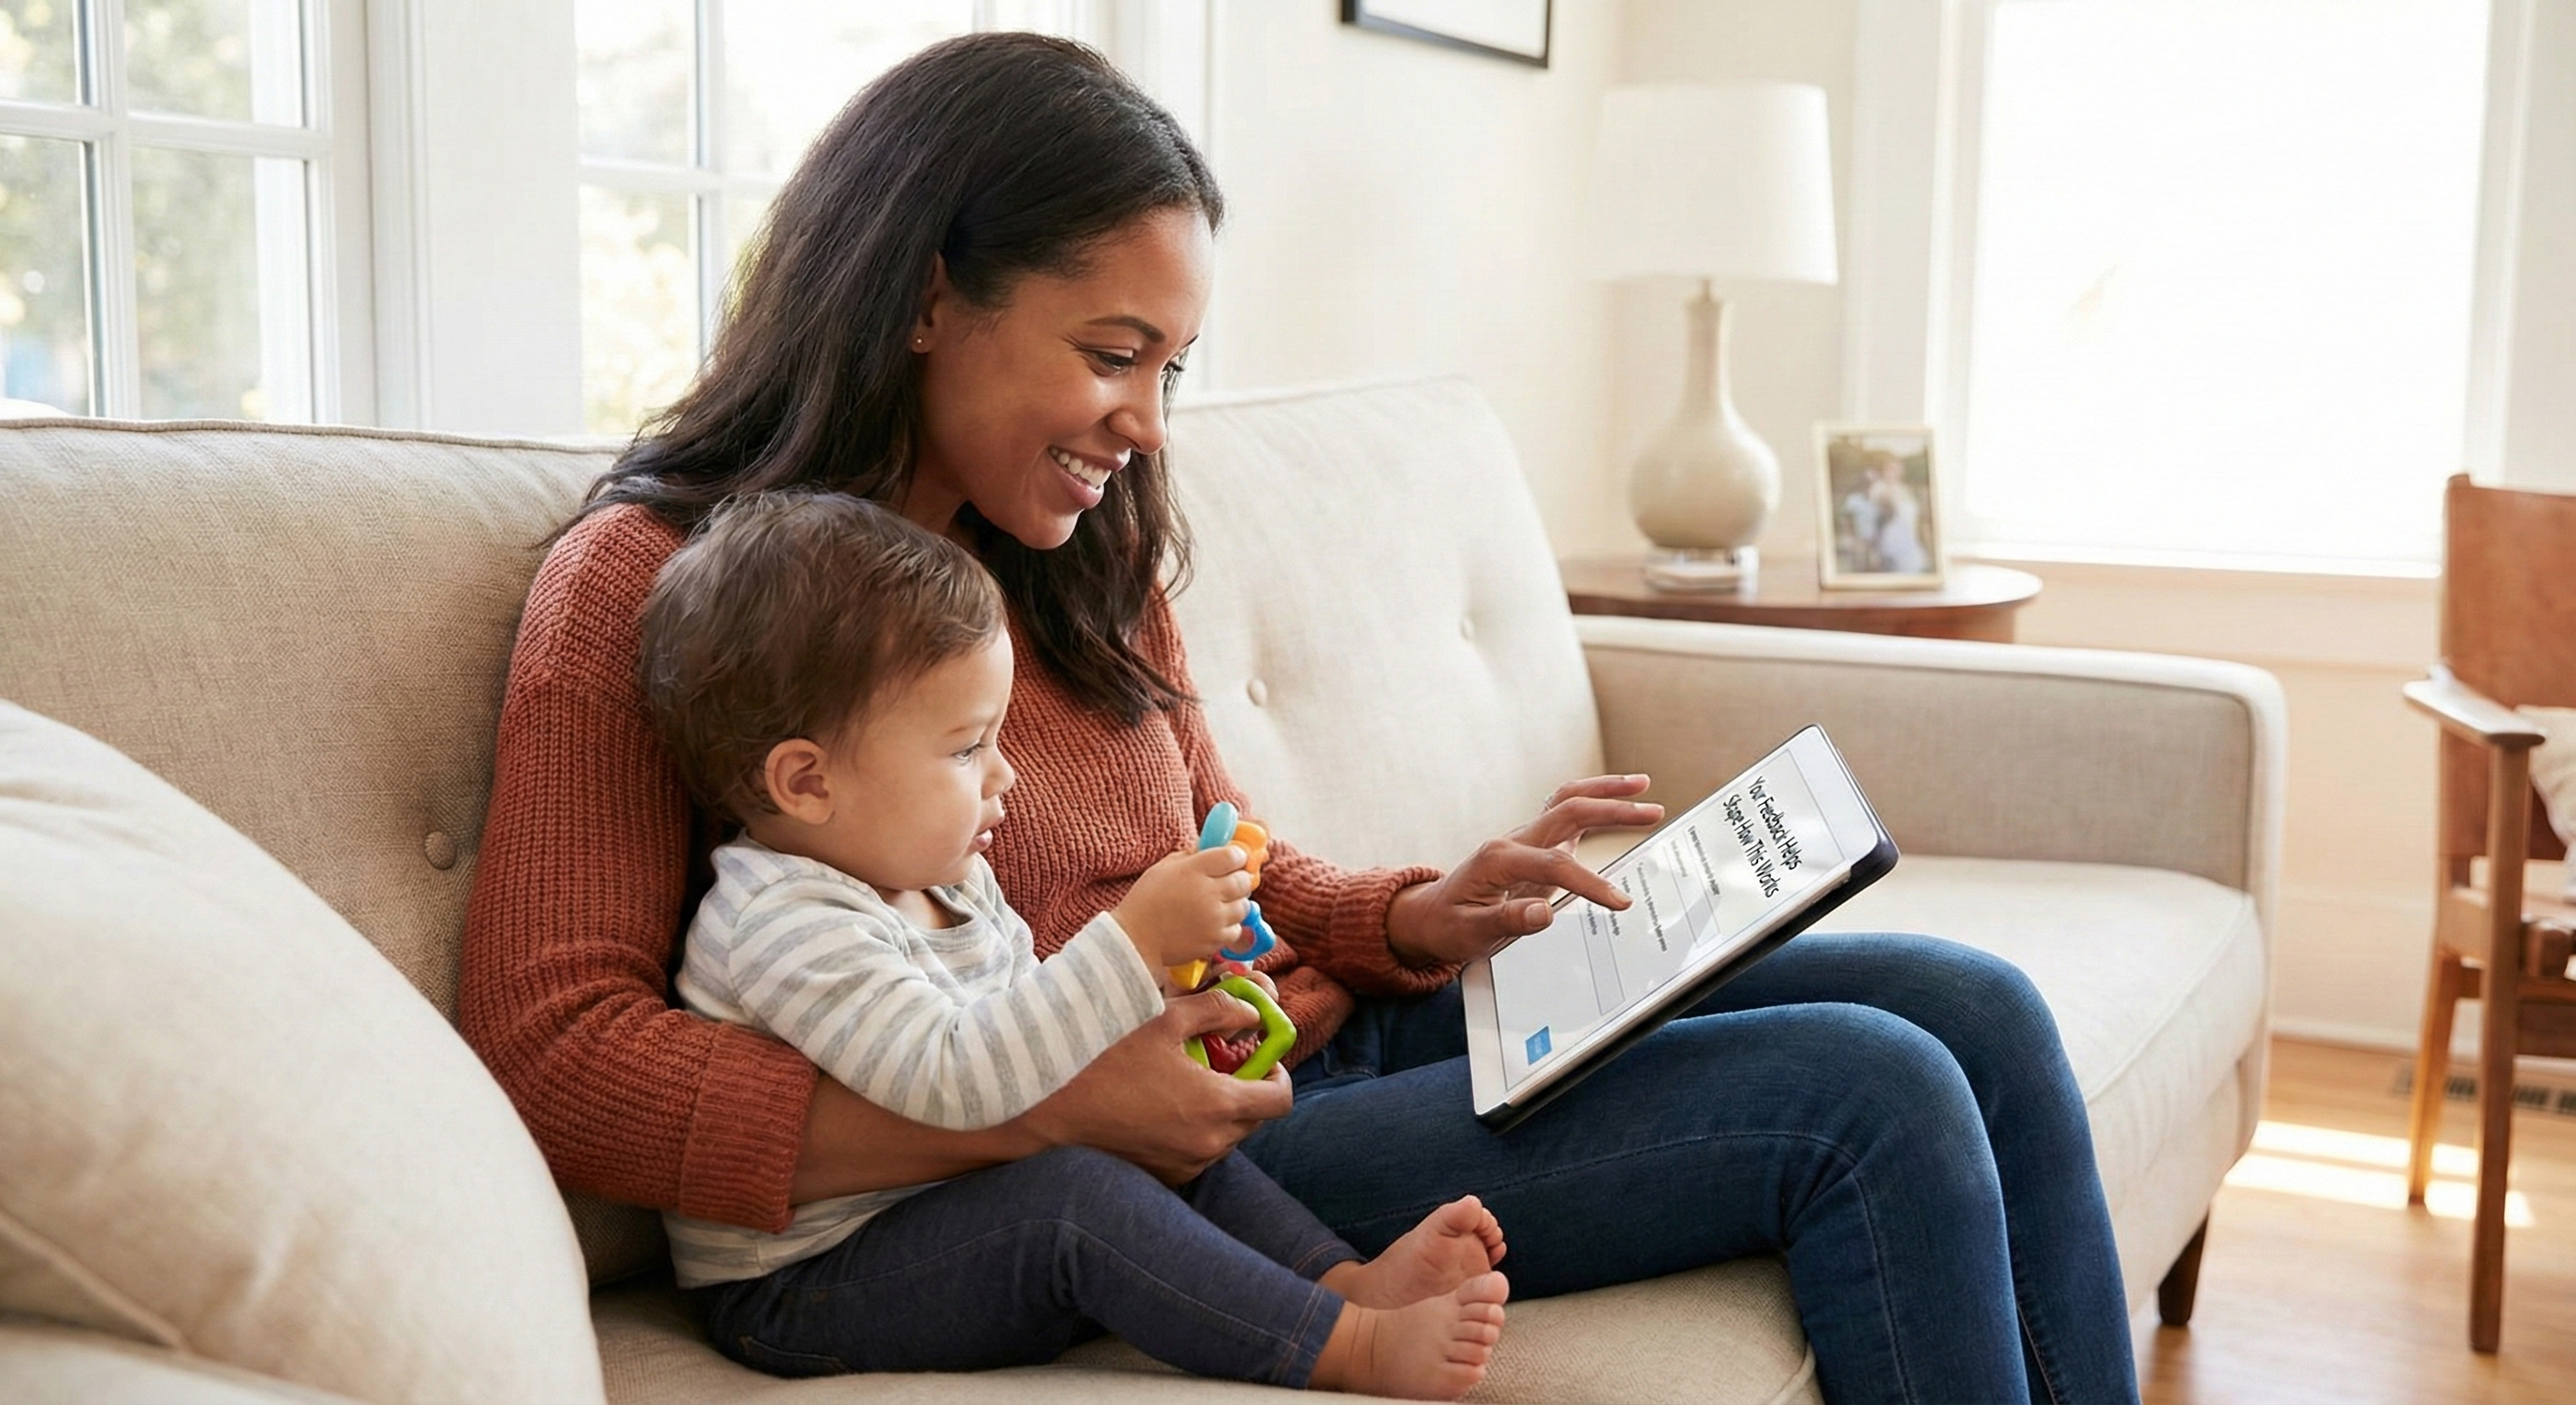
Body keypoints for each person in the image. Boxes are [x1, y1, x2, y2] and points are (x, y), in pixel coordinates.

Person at [460, 32, 2140, 1405]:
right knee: (1870, 1094)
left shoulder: (1076, 552)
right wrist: (1056, 1108)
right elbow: (558, 1059)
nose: (1148, 425)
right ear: (923, 293)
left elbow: (1219, 846)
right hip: (1188, 1160)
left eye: (1173, 367)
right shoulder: (655, 582)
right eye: (1114, 351)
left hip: (1317, 1043)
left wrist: (1406, 912)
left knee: (1975, 1006)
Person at [631, 490, 1507, 1394]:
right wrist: (1125, 945)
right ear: (807, 781)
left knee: (1137, 1142)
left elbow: (1031, 1022)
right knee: (1077, 1199)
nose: (1004, 773)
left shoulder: (944, 876)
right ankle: (1343, 1348)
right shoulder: (781, 921)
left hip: (942, 1208)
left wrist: (1164, 976)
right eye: (965, 748)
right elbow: (955, 1079)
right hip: (806, 1284)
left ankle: (1341, 1282)